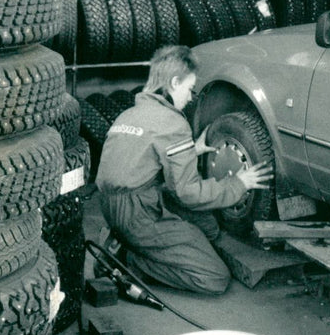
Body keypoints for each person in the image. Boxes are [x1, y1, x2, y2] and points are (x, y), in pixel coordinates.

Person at [95, 44, 273, 295]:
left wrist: (191, 151)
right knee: (214, 276)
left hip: (112, 205)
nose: (190, 97)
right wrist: (238, 184)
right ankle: (127, 260)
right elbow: (187, 193)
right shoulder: (172, 123)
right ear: (174, 82)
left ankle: (127, 240)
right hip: (138, 215)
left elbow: (143, 159)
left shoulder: (131, 114)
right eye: (190, 89)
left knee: (208, 228)